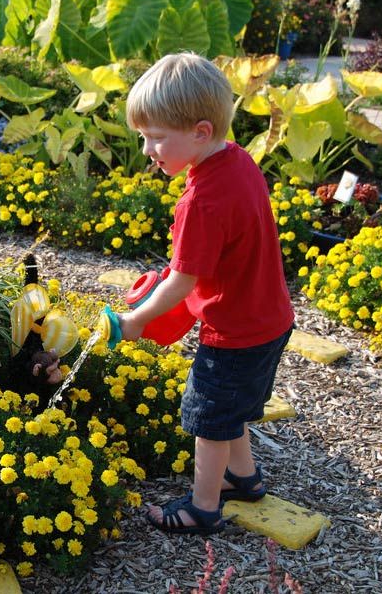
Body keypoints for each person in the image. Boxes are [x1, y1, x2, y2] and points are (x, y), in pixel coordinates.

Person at [117, 52, 295, 535]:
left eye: (155, 138)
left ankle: (203, 506)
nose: (147, 149)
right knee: (231, 407)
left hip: (234, 332)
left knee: (207, 417)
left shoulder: (201, 201)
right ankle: (244, 478)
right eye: (143, 136)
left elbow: (181, 281)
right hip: (270, 319)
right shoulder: (235, 160)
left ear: (199, 131)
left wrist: (135, 321)